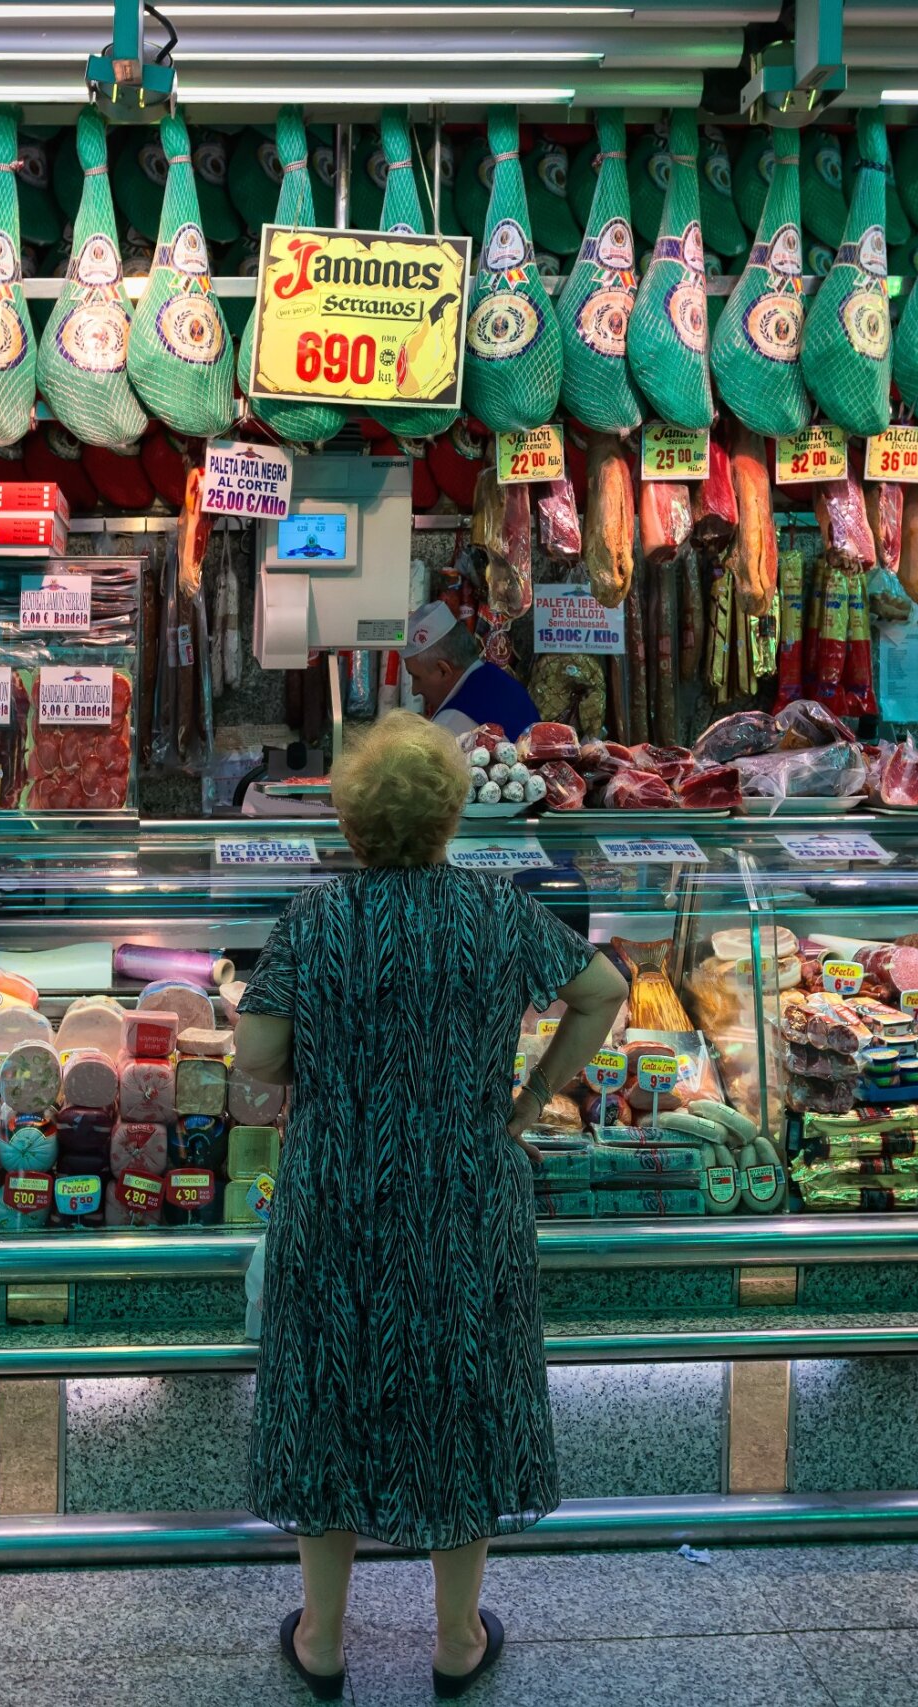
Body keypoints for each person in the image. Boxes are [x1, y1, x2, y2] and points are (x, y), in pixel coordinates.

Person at [233, 710, 629, 1700]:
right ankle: (456, 1641)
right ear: (452, 815)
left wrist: (334, 1068)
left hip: (339, 1186)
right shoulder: (496, 911)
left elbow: (256, 1063)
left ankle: (322, 1641)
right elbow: (601, 991)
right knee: (462, 1391)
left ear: (352, 818)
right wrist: (531, 1099)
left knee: (331, 1390)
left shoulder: (316, 919)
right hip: (464, 1180)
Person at [401, 600, 541, 737]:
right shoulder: (501, 680)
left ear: (443, 670)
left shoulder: (452, 724)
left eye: (416, 677)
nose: (415, 690)